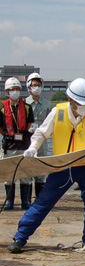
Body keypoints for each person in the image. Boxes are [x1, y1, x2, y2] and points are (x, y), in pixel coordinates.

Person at [7, 78, 85, 253]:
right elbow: (41, 133)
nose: (84, 107)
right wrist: (33, 148)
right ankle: (20, 237)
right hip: (62, 166)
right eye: (81, 103)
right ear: (71, 101)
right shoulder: (57, 112)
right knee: (43, 202)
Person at [1, 77, 35, 210]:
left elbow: (29, 124)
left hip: (24, 145)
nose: (14, 92)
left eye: (16, 89)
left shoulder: (27, 108)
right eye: (11, 90)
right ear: (7, 92)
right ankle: (10, 202)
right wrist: (8, 136)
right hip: (9, 146)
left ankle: (25, 202)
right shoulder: (2, 108)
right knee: (9, 175)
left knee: (25, 174)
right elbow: (0, 127)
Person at [25, 73, 53, 201]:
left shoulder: (47, 104)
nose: (36, 87)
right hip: (27, 139)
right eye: (34, 85)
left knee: (40, 170)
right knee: (27, 169)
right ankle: (26, 200)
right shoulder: (24, 103)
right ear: (29, 87)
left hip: (42, 141)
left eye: (39, 85)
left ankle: (39, 199)